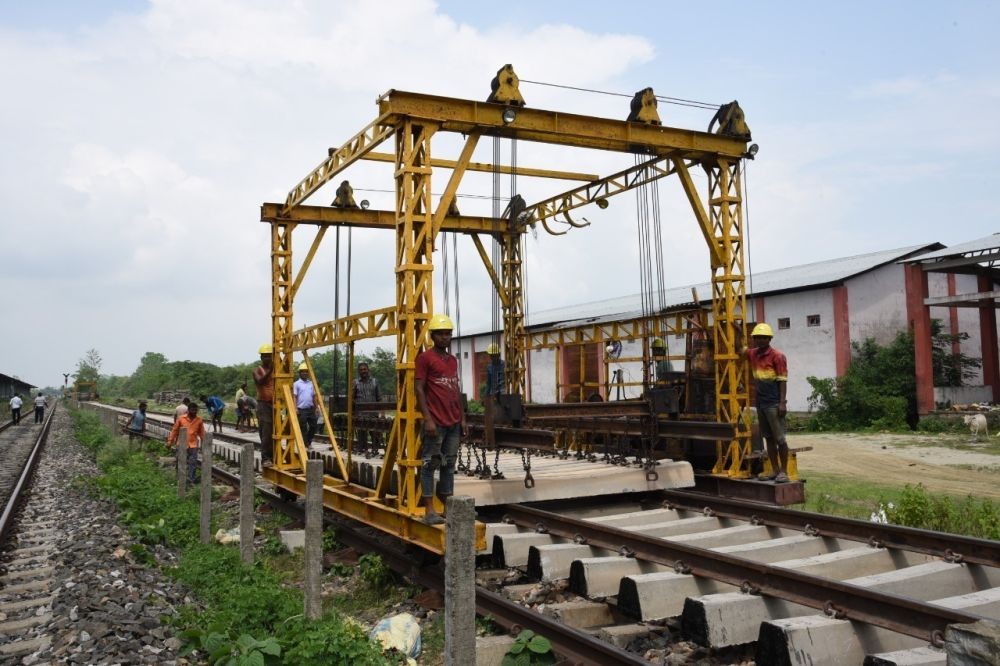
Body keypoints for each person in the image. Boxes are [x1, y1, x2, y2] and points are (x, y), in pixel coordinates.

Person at [415, 314, 467, 525]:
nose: (446, 338)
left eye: (448, 334)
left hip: (453, 422)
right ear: (433, 336)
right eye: (442, 334)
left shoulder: (452, 360)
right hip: (435, 422)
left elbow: (455, 389)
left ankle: (448, 508)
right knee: (430, 464)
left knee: (448, 465)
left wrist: (462, 418)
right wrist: (427, 419)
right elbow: (418, 388)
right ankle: (429, 511)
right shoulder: (425, 358)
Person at [746, 322, 790, 483]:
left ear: (769, 339)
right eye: (757, 337)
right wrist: (737, 332)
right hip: (761, 403)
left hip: (773, 403)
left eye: (764, 337)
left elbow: (782, 380)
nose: (760, 340)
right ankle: (775, 470)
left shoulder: (777, 356)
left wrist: (782, 402)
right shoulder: (754, 354)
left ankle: (784, 471)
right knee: (768, 439)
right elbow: (740, 350)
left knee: (780, 439)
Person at [167, 402, 205, 485]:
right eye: (192, 410)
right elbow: (175, 430)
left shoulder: (199, 420)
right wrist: (170, 441)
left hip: (193, 445)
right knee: (180, 461)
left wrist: (205, 444)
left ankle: (191, 480)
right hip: (181, 444)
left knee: (193, 463)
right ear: (188, 410)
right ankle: (179, 478)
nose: (194, 412)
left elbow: (202, 433)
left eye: (195, 410)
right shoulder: (181, 419)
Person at [352, 362, 382, 450]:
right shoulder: (355, 382)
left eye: (364, 369)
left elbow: (379, 397)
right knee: (361, 437)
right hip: (360, 415)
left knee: (375, 435)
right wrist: (353, 413)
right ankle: (362, 451)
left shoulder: (375, 381)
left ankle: (375, 451)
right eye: (361, 370)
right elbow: (352, 398)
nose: (363, 371)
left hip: (373, 414)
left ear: (368, 370)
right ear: (358, 371)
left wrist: (382, 413)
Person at [253, 343, 274, 464]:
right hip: (263, 404)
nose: (268, 358)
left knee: (275, 431)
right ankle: (265, 458)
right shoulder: (257, 370)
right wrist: (271, 370)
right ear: (261, 358)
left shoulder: (275, 370)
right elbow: (260, 381)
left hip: (274, 404)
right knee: (266, 431)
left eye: (269, 356)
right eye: (265, 356)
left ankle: (274, 455)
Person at [292, 363, 318, 446]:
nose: (304, 373)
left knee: (314, 426)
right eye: (302, 371)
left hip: (310, 409)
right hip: (301, 409)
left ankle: (308, 441)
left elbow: (314, 396)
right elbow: (295, 397)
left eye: (306, 371)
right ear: (299, 373)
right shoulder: (296, 384)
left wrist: (316, 407)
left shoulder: (311, 383)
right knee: (303, 428)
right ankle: (305, 444)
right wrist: (295, 408)